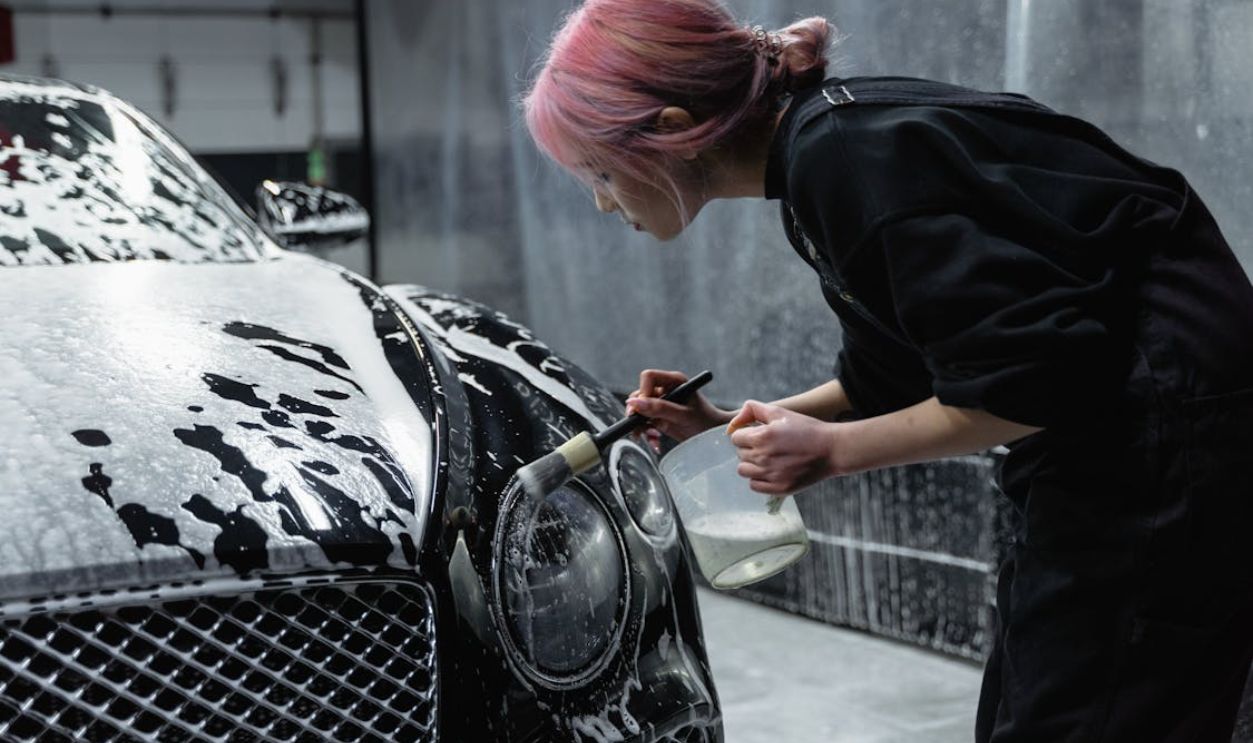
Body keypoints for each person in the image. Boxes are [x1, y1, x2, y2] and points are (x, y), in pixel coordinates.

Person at [522, 1, 1253, 740]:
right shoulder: (822, 150)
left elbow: (1027, 383)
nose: (602, 202)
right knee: (1037, 701)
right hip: (1117, 436)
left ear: (674, 130)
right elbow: (893, 376)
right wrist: (729, 427)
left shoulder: (842, 155)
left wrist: (832, 452)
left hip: (1169, 437)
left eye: (602, 172)